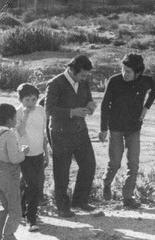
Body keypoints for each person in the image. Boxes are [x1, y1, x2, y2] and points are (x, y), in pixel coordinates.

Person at [99, 53, 155, 208]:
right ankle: (106, 184)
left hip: (134, 128)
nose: (125, 74)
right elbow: (105, 105)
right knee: (115, 162)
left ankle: (127, 197)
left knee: (133, 164)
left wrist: (146, 107)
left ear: (138, 73)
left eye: (129, 72)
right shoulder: (114, 81)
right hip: (116, 128)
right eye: (123, 69)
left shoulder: (145, 81)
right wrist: (103, 129)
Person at [45, 55, 97, 218]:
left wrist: (90, 106)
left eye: (86, 75)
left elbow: (88, 100)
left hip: (81, 131)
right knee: (62, 171)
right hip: (61, 133)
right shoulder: (55, 83)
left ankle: (80, 201)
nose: (84, 78)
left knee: (89, 165)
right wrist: (71, 112)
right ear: (72, 70)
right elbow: (49, 109)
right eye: (82, 75)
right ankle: (62, 207)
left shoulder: (84, 82)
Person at [0, 103, 29, 240]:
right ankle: (8, 236)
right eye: (15, 117)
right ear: (10, 119)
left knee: (4, 207)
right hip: (9, 174)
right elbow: (14, 158)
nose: (16, 120)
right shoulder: (9, 134)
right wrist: (23, 152)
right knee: (15, 210)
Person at [15, 83, 49, 232]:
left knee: (28, 184)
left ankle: (21, 211)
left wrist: (46, 153)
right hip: (25, 154)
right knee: (34, 187)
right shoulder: (17, 112)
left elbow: (43, 133)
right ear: (21, 99)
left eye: (34, 99)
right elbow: (20, 132)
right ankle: (31, 220)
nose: (31, 103)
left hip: (38, 153)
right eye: (27, 99)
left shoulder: (41, 110)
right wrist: (26, 115)